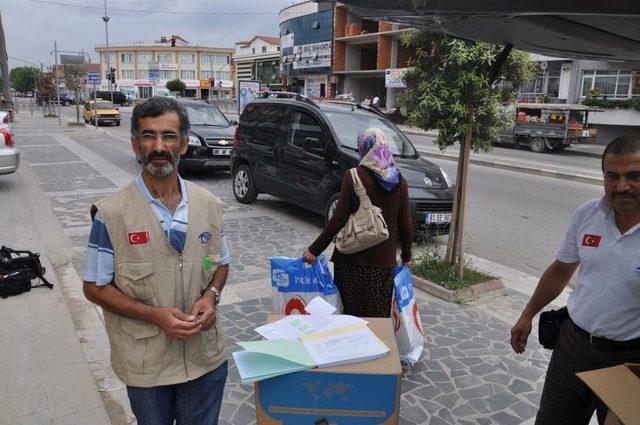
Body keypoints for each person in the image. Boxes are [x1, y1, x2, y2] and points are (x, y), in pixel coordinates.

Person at [83, 97, 230, 425]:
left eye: (169, 136)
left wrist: (211, 296)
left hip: (205, 359)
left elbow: (221, 263)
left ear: (185, 144)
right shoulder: (111, 213)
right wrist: (154, 315)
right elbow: (94, 287)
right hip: (146, 366)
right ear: (136, 145)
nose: (159, 146)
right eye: (149, 136)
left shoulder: (209, 204)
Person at [510, 134, 640, 425]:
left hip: (630, 358)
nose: (622, 186)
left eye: (634, 176)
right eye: (612, 176)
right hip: (574, 347)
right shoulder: (588, 215)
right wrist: (527, 314)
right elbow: (560, 269)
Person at [303, 128, 412, 317]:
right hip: (383, 265)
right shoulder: (399, 181)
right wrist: (407, 256)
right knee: (377, 319)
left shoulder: (354, 176)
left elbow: (338, 220)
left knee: (350, 320)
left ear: (364, 148)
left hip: (351, 262)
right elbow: (405, 223)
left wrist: (314, 250)